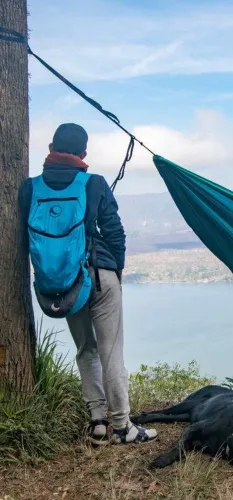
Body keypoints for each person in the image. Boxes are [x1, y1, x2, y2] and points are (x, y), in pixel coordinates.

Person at [19, 123, 157, 445]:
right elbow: (115, 233)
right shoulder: (92, 183)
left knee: (86, 349)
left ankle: (97, 423)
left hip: (62, 284)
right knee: (112, 353)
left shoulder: (30, 188)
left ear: (51, 146)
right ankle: (122, 427)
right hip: (98, 277)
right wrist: (116, 270)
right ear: (83, 153)